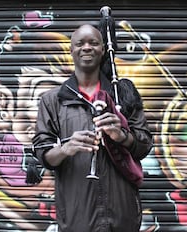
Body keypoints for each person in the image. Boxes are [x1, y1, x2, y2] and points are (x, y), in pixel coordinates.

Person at [32, 24, 153, 231]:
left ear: (103, 49)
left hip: (123, 216)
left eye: (93, 43)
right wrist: (65, 149)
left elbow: (144, 146)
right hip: (76, 217)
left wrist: (123, 137)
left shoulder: (122, 95)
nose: (86, 47)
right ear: (71, 50)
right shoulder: (52, 100)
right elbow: (43, 155)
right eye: (80, 43)